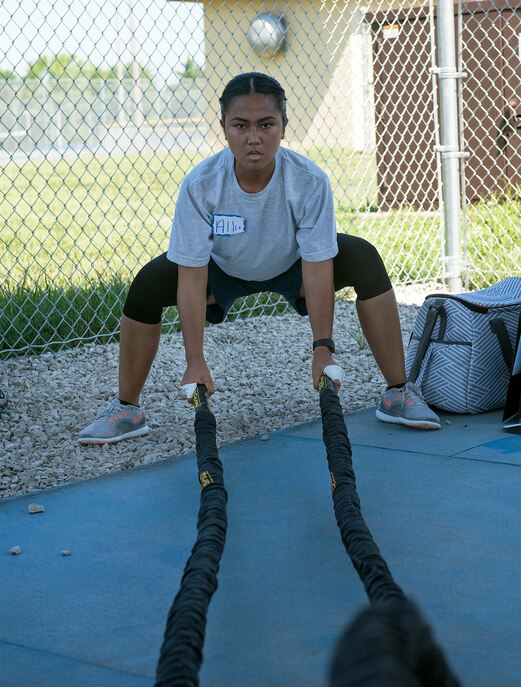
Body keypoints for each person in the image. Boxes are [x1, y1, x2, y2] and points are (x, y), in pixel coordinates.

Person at [78, 72, 440, 444]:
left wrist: (322, 349)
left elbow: (317, 268)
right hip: (222, 273)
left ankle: (398, 391)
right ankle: (127, 408)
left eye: (266, 124)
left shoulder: (309, 180)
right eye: (241, 125)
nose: (254, 137)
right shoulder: (201, 184)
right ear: (223, 128)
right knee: (148, 283)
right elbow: (191, 275)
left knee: (362, 256)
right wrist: (195, 360)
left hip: (293, 268)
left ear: (283, 126)